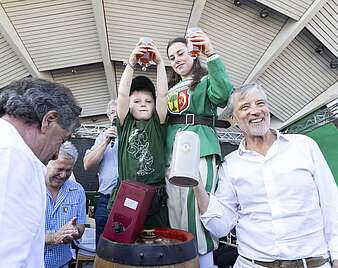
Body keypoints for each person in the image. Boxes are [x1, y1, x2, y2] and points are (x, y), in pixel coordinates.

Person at [194, 83, 338, 268]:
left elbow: (331, 202)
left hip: (312, 263)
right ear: (233, 119)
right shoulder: (230, 164)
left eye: (260, 103)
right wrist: (196, 183)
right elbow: (221, 225)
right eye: (245, 107)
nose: (255, 111)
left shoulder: (304, 146)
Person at [165, 29, 233, 267]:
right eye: (171, 58)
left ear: (193, 53)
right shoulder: (169, 89)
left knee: (196, 209)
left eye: (180, 53)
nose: (176, 60)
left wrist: (211, 52)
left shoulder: (205, 80)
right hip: (171, 155)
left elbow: (224, 95)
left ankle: (205, 263)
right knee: (175, 211)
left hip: (200, 148)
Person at [0, 77, 81, 267]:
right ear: (49, 120)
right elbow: (9, 255)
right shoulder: (13, 156)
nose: (55, 155)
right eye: (62, 139)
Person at [109, 39, 169, 228]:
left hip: (155, 197)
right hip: (127, 192)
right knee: (123, 241)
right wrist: (131, 62)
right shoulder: (125, 124)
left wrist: (160, 63)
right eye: (137, 101)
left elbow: (162, 95)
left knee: (156, 242)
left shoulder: (157, 124)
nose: (143, 103)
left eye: (148, 101)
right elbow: (123, 93)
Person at [44, 141, 86, 268]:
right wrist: (54, 238)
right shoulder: (30, 188)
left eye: (68, 170)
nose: (63, 175)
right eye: (59, 169)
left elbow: (81, 225)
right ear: (47, 163)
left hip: (61, 263)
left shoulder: (77, 191)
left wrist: (75, 231)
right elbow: (21, 233)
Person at [83, 99, 119, 245]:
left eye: (118, 111)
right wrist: (105, 142)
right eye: (112, 112)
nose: (115, 115)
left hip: (128, 199)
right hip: (106, 199)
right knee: (103, 245)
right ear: (108, 117)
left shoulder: (134, 133)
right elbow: (87, 164)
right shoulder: (102, 137)